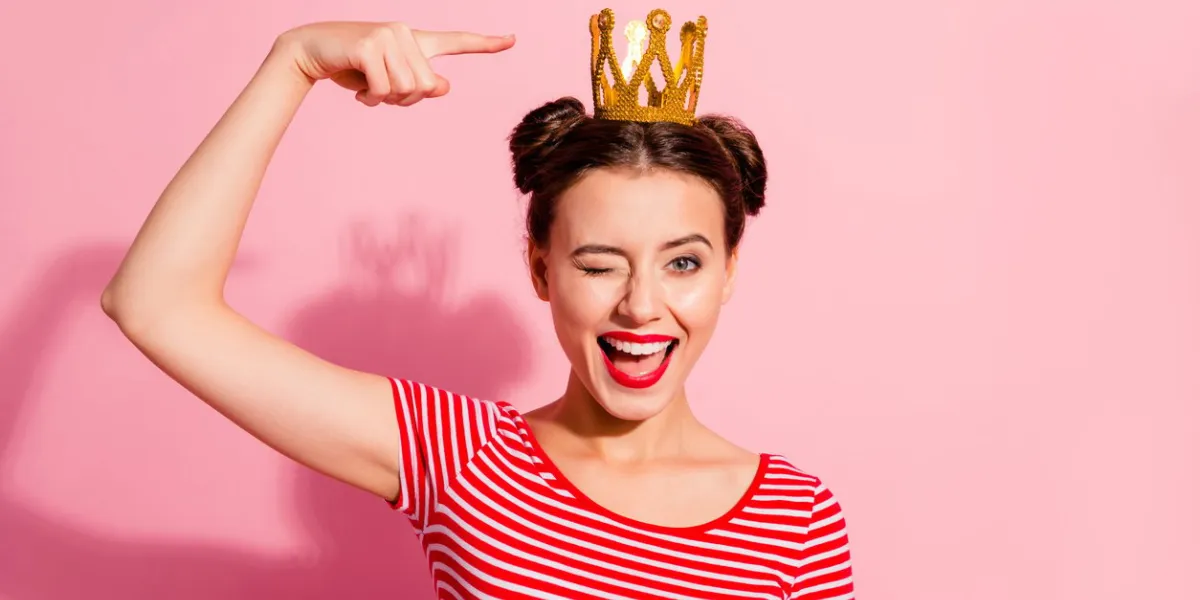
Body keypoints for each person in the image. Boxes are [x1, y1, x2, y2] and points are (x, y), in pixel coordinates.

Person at [101, 9, 855, 600]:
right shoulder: (462, 458)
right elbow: (154, 304)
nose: (641, 306)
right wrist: (292, 63)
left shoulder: (798, 519)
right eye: (600, 266)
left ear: (727, 272)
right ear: (541, 268)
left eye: (683, 263)